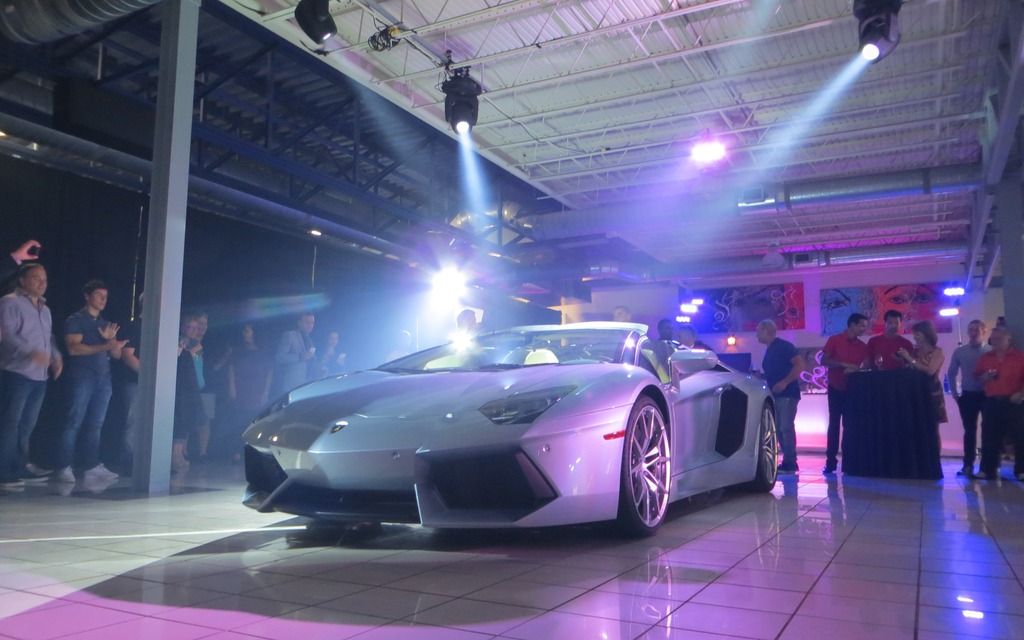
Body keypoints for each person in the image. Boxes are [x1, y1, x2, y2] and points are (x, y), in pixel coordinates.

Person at [54, 280, 127, 484]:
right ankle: (63, 465)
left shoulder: (105, 323)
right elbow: (74, 349)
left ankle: (90, 465)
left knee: (96, 423)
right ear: (87, 296)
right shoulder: (76, 320)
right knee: (74, 420)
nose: (104, 299)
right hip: (82, 377)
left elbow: (117, 355)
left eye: (105, 296)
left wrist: (113, 345)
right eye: (99, 295)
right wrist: (105, 346)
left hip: (103, 378)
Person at [0, 264, 63, 489]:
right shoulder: (10, 302)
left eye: (44, 279)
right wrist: (31, 352)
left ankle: (19, 467)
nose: (42, 283)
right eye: (36, 278)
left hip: (40, 377)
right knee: (9, 425)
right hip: (16, 373)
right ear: (22, 280)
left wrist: (55, 356)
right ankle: (4, 473)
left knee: (26, 426)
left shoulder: (45, 309)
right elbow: (6, 335)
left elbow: (49, 337)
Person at [820, 312, 870, 474]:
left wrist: (857, 369)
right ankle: (831, 462)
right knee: (834, 425)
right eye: (862, 325)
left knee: (850, 426)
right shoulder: (835, 340)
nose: (864, 329)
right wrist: (843, 364)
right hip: (835, 388)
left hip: (853, 390)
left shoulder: (863, 346)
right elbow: (824, 361)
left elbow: (866, 366)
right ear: (852, 325)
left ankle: (849, 463)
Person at [972, 326, 1024, 481]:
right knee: (989, 436)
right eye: (993, 338)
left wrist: (1021, 393)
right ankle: (988, 469)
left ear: (1008, 339)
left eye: (998, 338)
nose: (994, 341)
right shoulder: (986, 357)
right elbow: (977, 377)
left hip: (1014, 401)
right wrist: (985, 377)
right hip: (992, 401)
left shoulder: (1019, 357)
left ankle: (1021, 470)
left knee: (1020, 436)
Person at [756, 319, 804, 474]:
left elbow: (799, 365)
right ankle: (785, 460)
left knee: (785, 427)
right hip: (776, 394)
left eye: (758, 331)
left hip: (787, 394)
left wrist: (785, 382)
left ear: (766, 331)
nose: (756, 335)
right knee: (779, 428)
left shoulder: (784, 347)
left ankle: (791, 462)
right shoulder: (770, 349)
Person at [947, 319, 990, 477]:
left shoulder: (990, 351)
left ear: (984, 331)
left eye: (976, 330)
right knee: (969, 431)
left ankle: (986, 467)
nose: (973, 333)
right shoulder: (960, 351)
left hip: (987, 395)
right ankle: (968, 465)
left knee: (987, 431)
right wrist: (955, 394)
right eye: (970, 330)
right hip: (968, 394)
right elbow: (951, 373)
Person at [227, 324, 272, 463]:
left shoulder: (263, 351)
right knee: (239, 421)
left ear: (254, 332)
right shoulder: (238, 350)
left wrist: (265, 392)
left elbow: (269, 372)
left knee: (254, 422)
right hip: (242, 389)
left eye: (247, 330)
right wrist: (232, 388)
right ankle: (236, 452)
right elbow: (231, 370)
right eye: (243, 330)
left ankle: (253, 451)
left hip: (257, 389)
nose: (244, 333)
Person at [896, 319, 948, 424]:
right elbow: (911, 370)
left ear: (926, 334)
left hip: (931, 391)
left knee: (932, 426)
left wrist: (910, 359)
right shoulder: (915, 351)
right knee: (918, 425)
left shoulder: (937, 351)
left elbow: (930, 371)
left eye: (917, 334)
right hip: (915, 390)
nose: (914, 337)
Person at [173, 316, 207, 471]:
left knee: (188, 421)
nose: (193, 331)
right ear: (183, 328)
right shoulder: (181, 342)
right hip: (182, 387)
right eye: (190, 327)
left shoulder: (197, 344)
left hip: (194, 386)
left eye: (196, 328)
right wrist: (189, 350)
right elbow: (178, 359)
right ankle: (175, 454)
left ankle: (180, 453)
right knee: (180, 420)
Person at [274, 312, 317, 394]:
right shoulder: (289, 335)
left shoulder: (310, 340)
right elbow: (280, 358)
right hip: (291, 387)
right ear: (299, 322)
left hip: (306, 386)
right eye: (307, 322)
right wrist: (300, 356)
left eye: (312, 322)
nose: (310, 325)